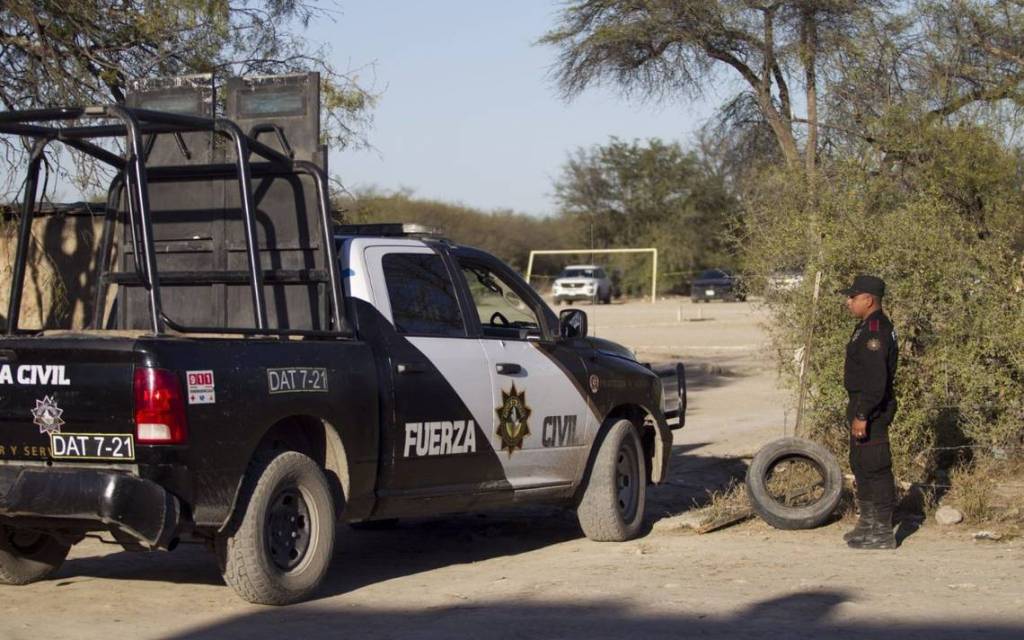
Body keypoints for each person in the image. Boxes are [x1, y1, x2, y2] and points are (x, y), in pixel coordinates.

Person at [838, 275, 899, 550]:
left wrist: (863, 414)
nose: (848, 301)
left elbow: (877, 380)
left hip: (872, 407)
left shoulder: (876, 329)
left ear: (868, 299)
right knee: (860, 464)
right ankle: (867, 524)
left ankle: (883, 531)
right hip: (861, 403)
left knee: (875, 465)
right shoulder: (864, 327)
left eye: (853, 297)